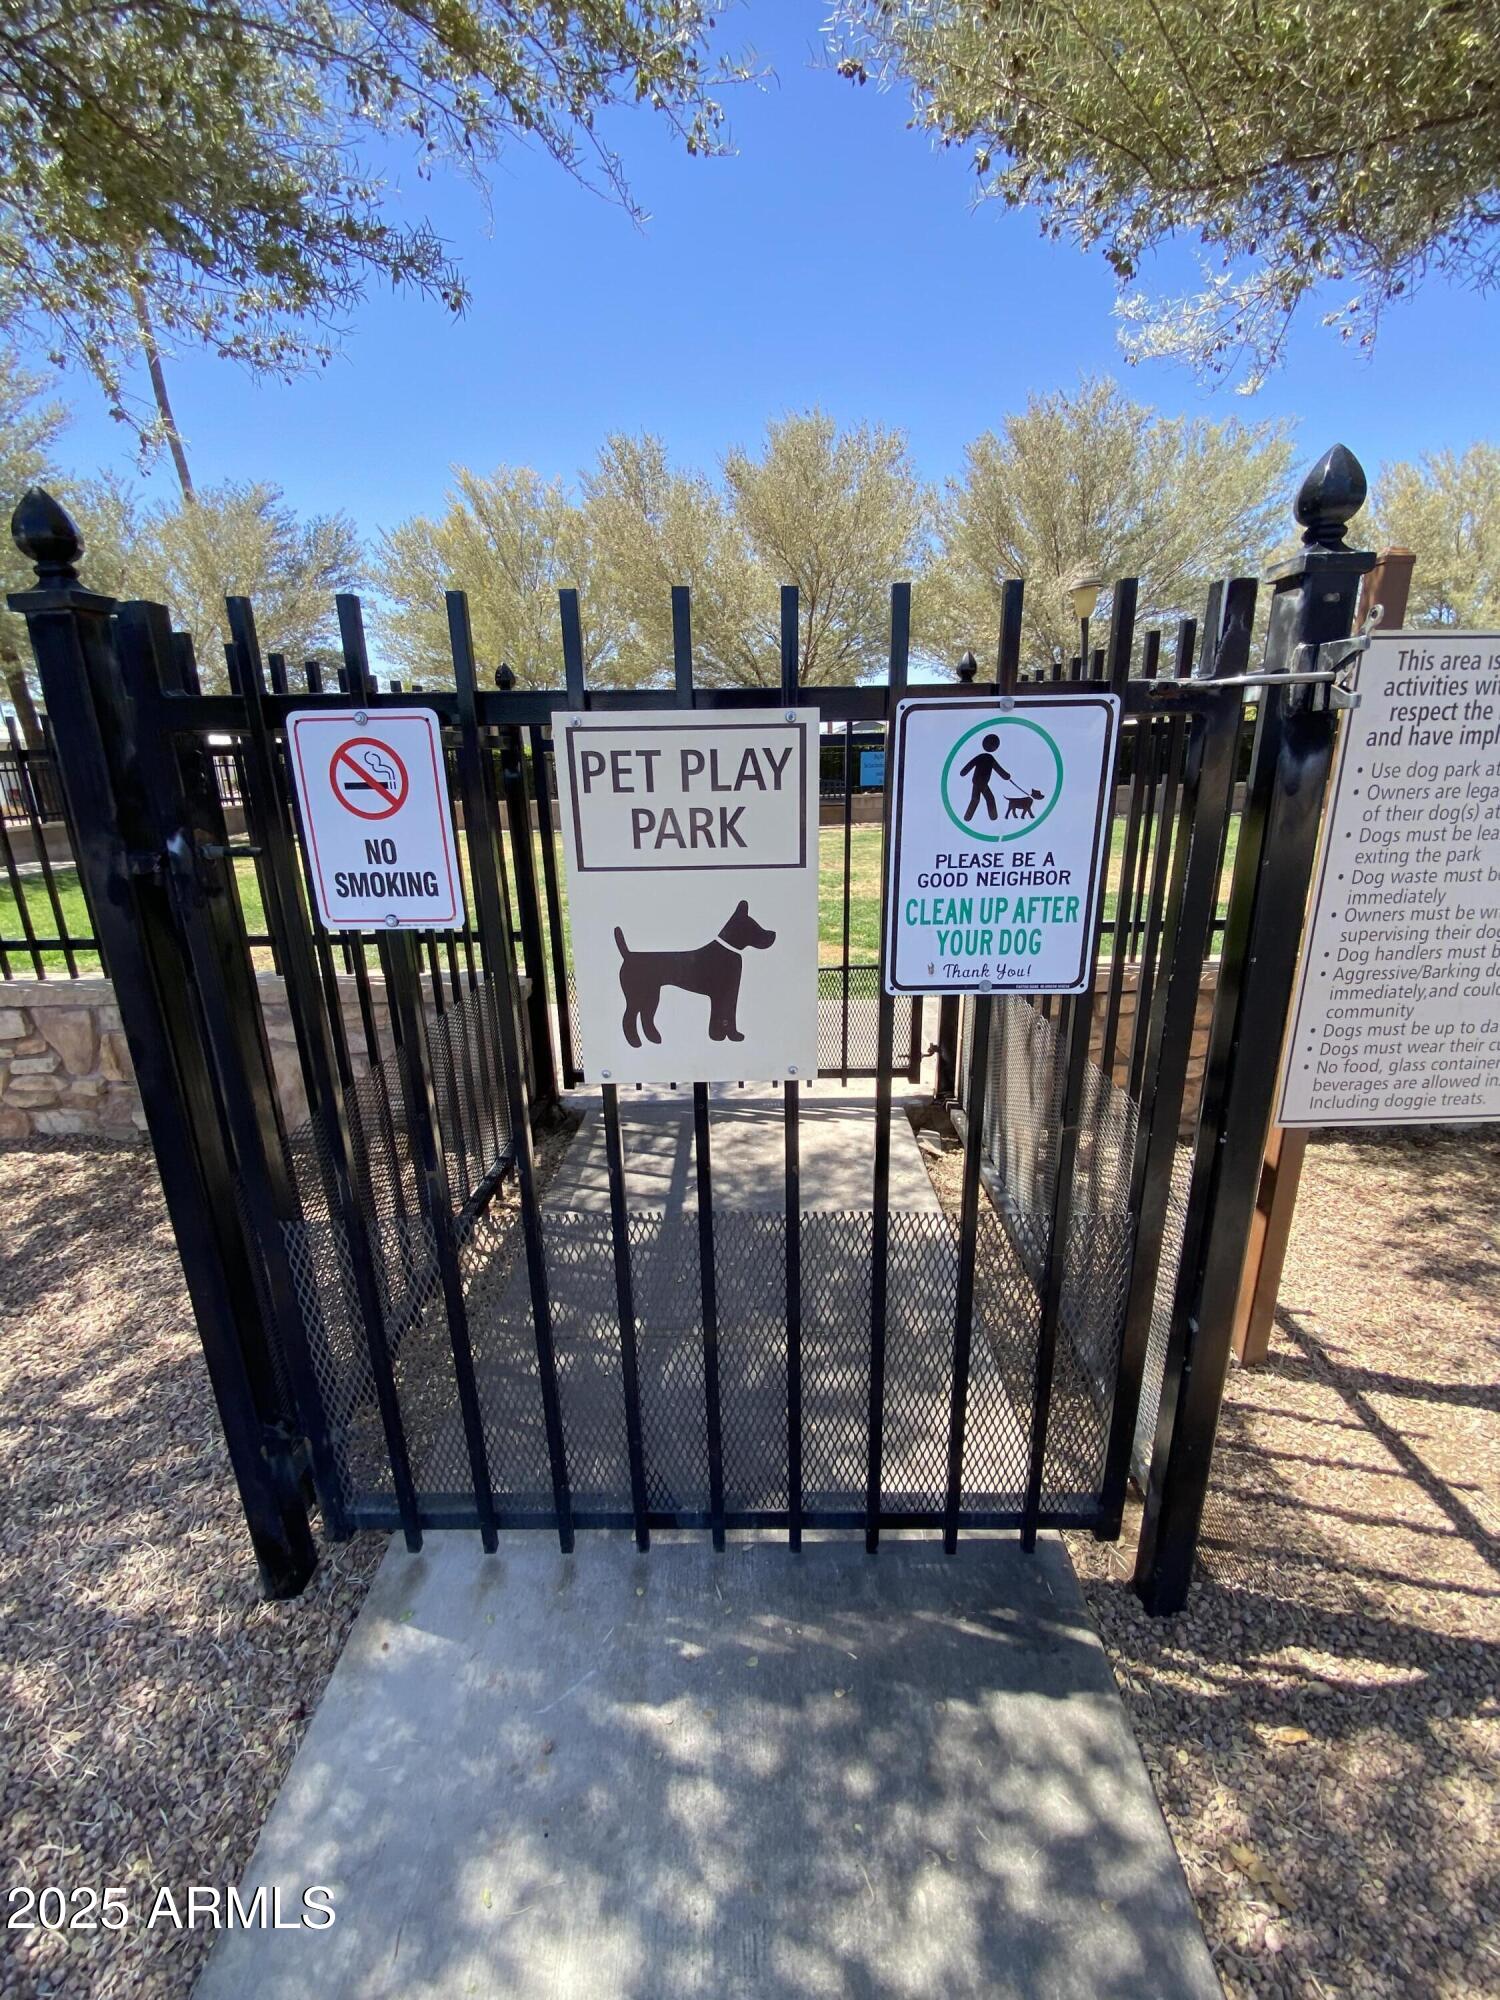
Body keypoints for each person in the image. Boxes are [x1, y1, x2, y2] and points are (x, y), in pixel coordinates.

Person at [959, 734, 1012, 823]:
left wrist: (1006, 776)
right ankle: (992, 817)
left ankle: (968, 817)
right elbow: (999, 770)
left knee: (976, 799)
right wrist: (1006, 776)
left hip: (978, 781)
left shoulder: (987, 758)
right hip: (981, 782)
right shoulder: (988, 758)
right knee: (988, 798)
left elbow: (998, 769)